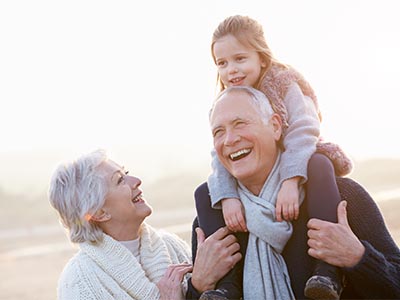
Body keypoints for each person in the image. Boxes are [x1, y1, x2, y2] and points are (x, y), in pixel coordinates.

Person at [191, 86, 400, 299]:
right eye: (218, 132)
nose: (229, 140)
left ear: (275, 126)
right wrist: (197, 285)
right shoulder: (212, 220)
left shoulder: (341, 196)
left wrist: (359, 258)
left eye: (240, 124)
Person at [199, 14, 352, 300]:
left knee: (320, 164)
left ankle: (328, 270)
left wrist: (291, 180)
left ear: (262, 56)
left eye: (240, 59)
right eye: (222, 63)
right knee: (204, 193)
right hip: (256, 177)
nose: (231, 70)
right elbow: (219, 152)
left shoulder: (284, 83)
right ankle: (227, 285)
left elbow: (305, 130)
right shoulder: (225, 100)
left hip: (298, 157)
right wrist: (227, 196)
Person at [48, 149, 242, 300]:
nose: (136, 181)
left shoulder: (170, 245)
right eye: (119, 180)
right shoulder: (79, 280)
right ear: (98, 213)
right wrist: (199, 284)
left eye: (127, 173)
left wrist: (199, 287)